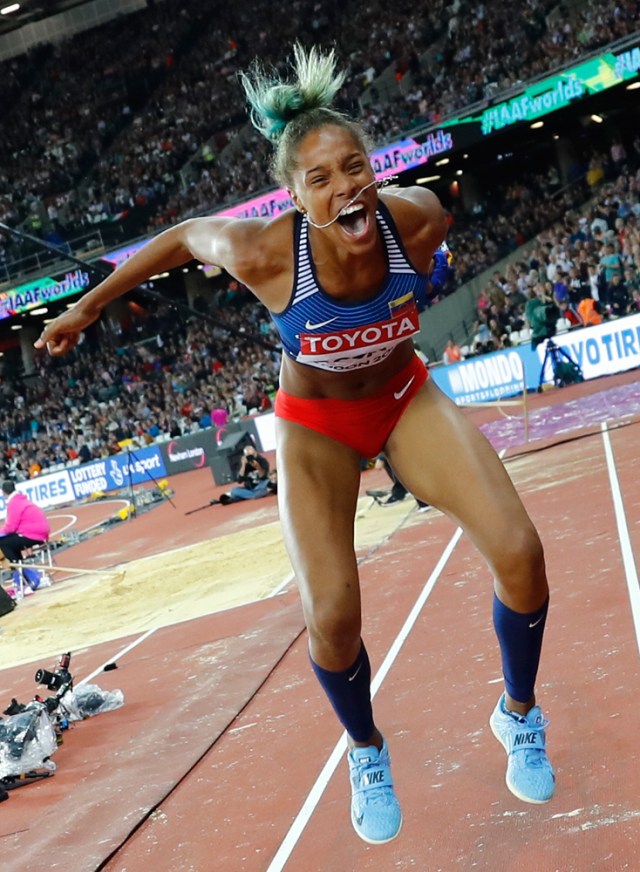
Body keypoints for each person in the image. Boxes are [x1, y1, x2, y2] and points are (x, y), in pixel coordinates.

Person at [35, 45, 554, 845]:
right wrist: (90, 308)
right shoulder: (266, 252)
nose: (345, 186)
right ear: (294, 196)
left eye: (354, 167)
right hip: (314, 429)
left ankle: (518, 712)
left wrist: (430, 274)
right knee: (333, 616)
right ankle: (366, 749)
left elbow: (436, 247)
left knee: (520, 552)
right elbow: (180, 238)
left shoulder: (414, 217)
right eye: (321, 178)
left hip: (401, 398)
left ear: (373, 169)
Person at [0, 480, 50, 592]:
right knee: (10, 542)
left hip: (33, 535)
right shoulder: (21, 499)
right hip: (40, 533)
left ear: (3, 493)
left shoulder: (14, 503)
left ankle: (21, 575)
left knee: (4, 543)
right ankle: (21, 573)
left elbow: (10, 527)